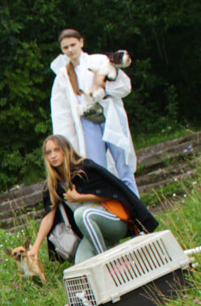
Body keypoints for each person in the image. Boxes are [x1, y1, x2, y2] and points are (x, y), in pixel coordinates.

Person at [27, 135, 158, 266]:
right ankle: (123, 263)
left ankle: (108, 263)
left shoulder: (85, 168)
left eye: (57, 150)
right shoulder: (54, 185)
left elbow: (112, 192)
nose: (53, 156)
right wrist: (36, 247)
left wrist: (79, 198)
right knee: (81, 265)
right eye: (49, 152)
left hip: (114, 221)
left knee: (82, 214)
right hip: (90, 230)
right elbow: (48, 216)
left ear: (66, 150)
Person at [50, 28, 139, 196]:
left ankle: (137, 209)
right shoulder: (62, 76)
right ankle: (113, 214)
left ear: (81, 42)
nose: (70, 50)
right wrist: (64, 143)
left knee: (123, 166)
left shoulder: (99, 61)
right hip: (87, 124)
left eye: (73, 45)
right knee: (98, 171)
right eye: (65, 48)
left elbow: (125, 86)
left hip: (109, 116)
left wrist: (102, 86)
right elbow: (61, 113)